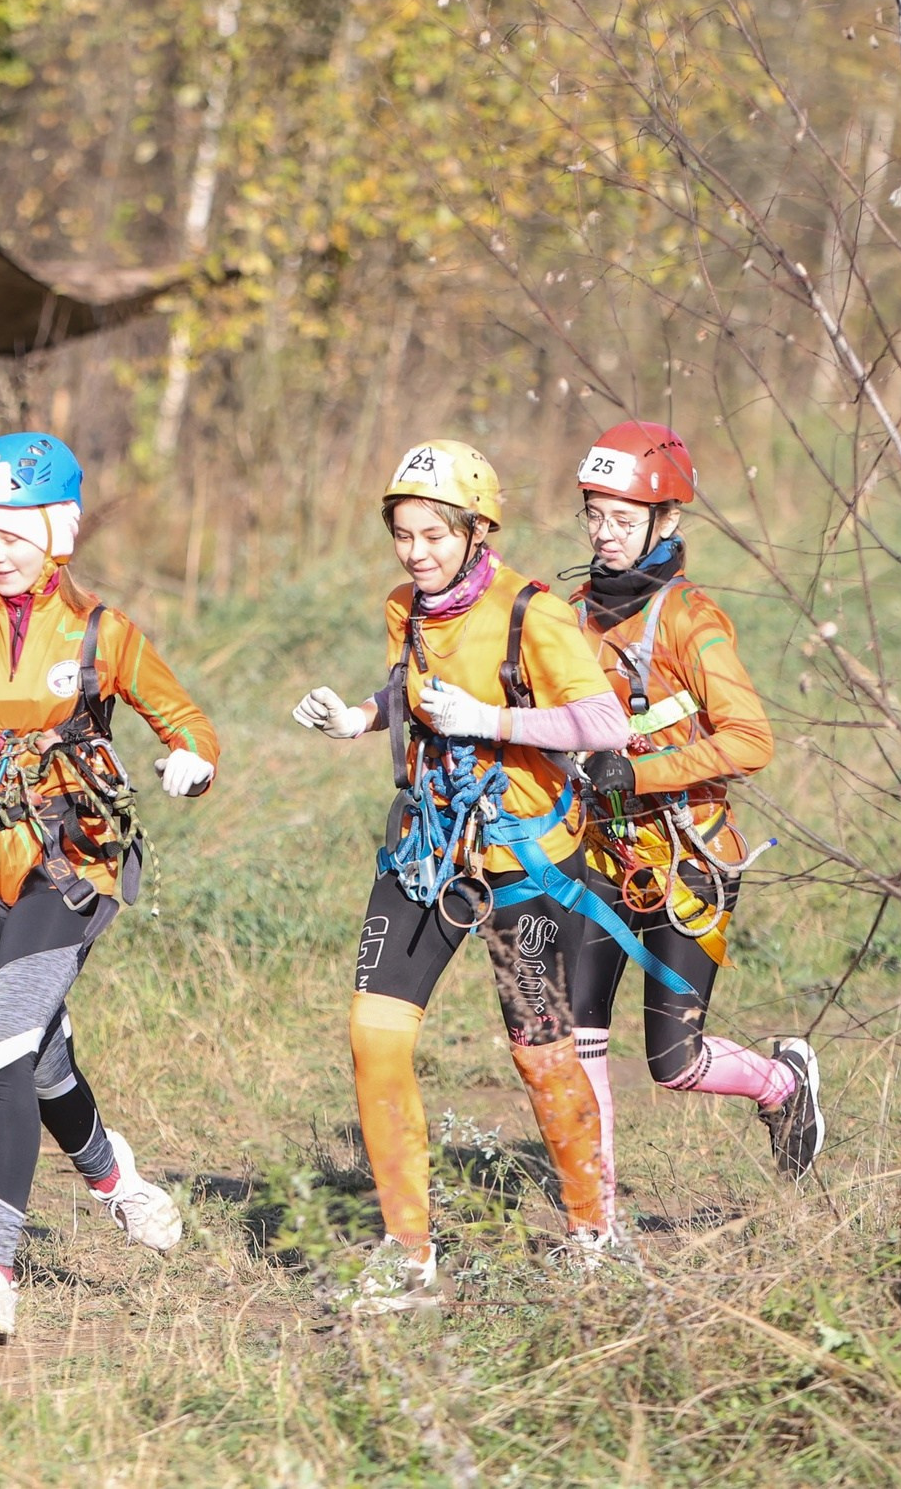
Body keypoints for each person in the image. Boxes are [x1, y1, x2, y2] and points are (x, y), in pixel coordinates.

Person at [0, 432, 219, 1340]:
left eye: (11, 533)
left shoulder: (105, 631)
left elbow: (186, 720)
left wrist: (190, 762)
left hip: (76, 867)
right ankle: (119, 1180)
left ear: (56, 529)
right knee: (40, 1056)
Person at [292, 440, 634, 1311]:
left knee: (539, 1049)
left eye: (435, 535)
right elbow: (410, 686)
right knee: (374, 1034)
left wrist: (490, 716)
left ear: (479, 532)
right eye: (404, 535)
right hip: (425, 849)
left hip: (520, 858)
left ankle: (595, 1231)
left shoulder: (534, 612)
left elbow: (603, 722)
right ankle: (408, 1254)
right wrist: (360, 716)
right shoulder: (404, 607)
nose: (417, 552)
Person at [564, 422, 822, 1210]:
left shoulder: (692, 619)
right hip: (595, 861)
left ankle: (784, 1082)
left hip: (689, 866)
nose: (604, 534)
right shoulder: (570, 613)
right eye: (593, 514)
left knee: (672, 1061)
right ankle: (596, 1230)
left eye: (622, 517)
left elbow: (752, 740)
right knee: (578, 1047)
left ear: (666, 521)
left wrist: (635, 771)